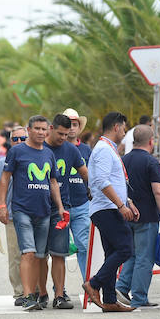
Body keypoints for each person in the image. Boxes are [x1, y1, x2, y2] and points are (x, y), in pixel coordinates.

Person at [0, 115, 65, 312]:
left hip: (44, 212)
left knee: (39, 255)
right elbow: (4, 179)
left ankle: (35, 294)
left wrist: (60, 207)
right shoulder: (17, 151)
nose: (41, 133)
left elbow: (53, 182)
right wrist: (2, 206)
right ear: (28, 130)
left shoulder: (49, 154)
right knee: (27, 252)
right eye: (37, 129)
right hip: (22, 210)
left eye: (44, 129)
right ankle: (27, 296)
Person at [83, 111, 139, 313]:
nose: (124, 131)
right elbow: (102, 181)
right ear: (116, 127)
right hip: (107, 208)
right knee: (126, 249)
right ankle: (94, 284)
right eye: (123, 127)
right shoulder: (104, 150)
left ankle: (109, 300)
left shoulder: (107, 148)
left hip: (109, 206)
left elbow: (114, 181)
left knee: (112, 253)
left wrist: (128, 202)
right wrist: (121, 206)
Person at [116, 125, 160, 309]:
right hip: (147, 216)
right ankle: (139, 297)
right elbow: (158, 191)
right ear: (151, 141)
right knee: (144, 258)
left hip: (126, 214)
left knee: (131, 255)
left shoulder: (123, 160)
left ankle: (121, 288)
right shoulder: (151, 162)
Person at [37, 113, 88, 309]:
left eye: (66, 135)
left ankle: (60, 295)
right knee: (41, 255)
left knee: (60, 254)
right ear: (51, 128)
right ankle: (41, 294)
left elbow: (85, 173)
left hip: (61, 209)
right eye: (60, 134)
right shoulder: (38, 147)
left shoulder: (71, 150)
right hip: (39, 209)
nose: (63, 138)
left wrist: (92, 190)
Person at [0, 125, 26, 304]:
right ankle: (19, 292)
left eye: (23, 139)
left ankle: (35, 291)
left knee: (36, 255)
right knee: (16, 255)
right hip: (12, 216)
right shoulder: (2, 163)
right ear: (10, 142)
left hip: (34, 215)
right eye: (15, 139)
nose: (19, 142)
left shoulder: (35, 159)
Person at [63, 108, 92, 280]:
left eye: (75, 124)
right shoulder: (55, 148)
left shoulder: (87, 150)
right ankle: (59, 291)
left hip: (82, 205)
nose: (72, 128)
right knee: (59, 251)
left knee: (85, 246)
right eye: (69, 124)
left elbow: (91, 176)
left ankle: (89, 285)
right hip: (61, 207)